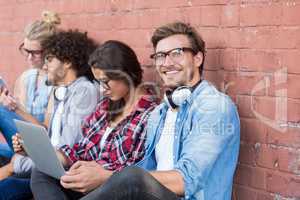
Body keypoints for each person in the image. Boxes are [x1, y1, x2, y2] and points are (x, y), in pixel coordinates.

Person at [37, 22, 239, 200]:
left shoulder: (214, 107)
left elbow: (185, 181)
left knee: (130, 177)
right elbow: (143, 168)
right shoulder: (162, 112)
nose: (166, 63)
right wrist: (95, 171)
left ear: (197, 58)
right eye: (160, 56)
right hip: (144, 193)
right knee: (44, 173)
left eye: (176, 53)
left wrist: (108, 176)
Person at [30, 40, 159, 200]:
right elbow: (82, 149)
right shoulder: (105, 106)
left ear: (126, 73)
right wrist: (49, 155)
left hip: (113, 187)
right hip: (86, 181)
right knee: (41, 171)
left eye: (106, 81)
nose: (102, 88)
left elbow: (135, 172)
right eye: (98, 82)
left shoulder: (149, 114)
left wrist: (100, 175)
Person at [0, 30, 99, 200]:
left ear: (67, 62)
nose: (44, 66)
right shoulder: (63, 91)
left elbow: (66, 153)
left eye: (50, 59)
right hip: (47, 168)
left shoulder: (84, 92)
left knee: (7, 186)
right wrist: (26, 149)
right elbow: (51, 142)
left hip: (60, 174)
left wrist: (14, 165)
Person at [0, 11, 60, 160]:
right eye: (26, 50)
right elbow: (18, 125)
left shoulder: (58, 82)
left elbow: (45, 132)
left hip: (43, 148)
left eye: (35, 53)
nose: (29, 57)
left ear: (49, 51)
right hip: (21, 144)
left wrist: (15, 108)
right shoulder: (27, 78)